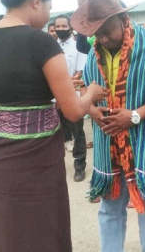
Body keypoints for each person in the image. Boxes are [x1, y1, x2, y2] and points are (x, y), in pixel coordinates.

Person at [0, 0, 107, 251]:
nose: (49, 15)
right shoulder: (40, 41)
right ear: (37, 0)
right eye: (49, 7)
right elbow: (72, 111)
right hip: (33, 162)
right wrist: (90, 92)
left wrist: (58, 86)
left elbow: (10, 90)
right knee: (38, 229)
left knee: (0, 225)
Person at [71, 0, 145, 252]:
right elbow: (86, 88)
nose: (101, 38)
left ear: (123, 20)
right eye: (95, 32)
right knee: (110, 207)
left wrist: (133, 116)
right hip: (107, 138)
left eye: (106, 30)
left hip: (144, 137)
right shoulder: (97, 44)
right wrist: (92, 110)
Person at [54, 14, 88, 182]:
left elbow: (79, 74)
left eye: (63, 26)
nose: (60, 29)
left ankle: (79, 164)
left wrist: (64, 94)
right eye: (57, 26)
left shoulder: (78, 47)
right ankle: (56, 165)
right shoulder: (50, 47)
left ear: (70, 27)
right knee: (56, 134)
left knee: (77, 132)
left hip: (73, 97)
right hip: (53, 100)